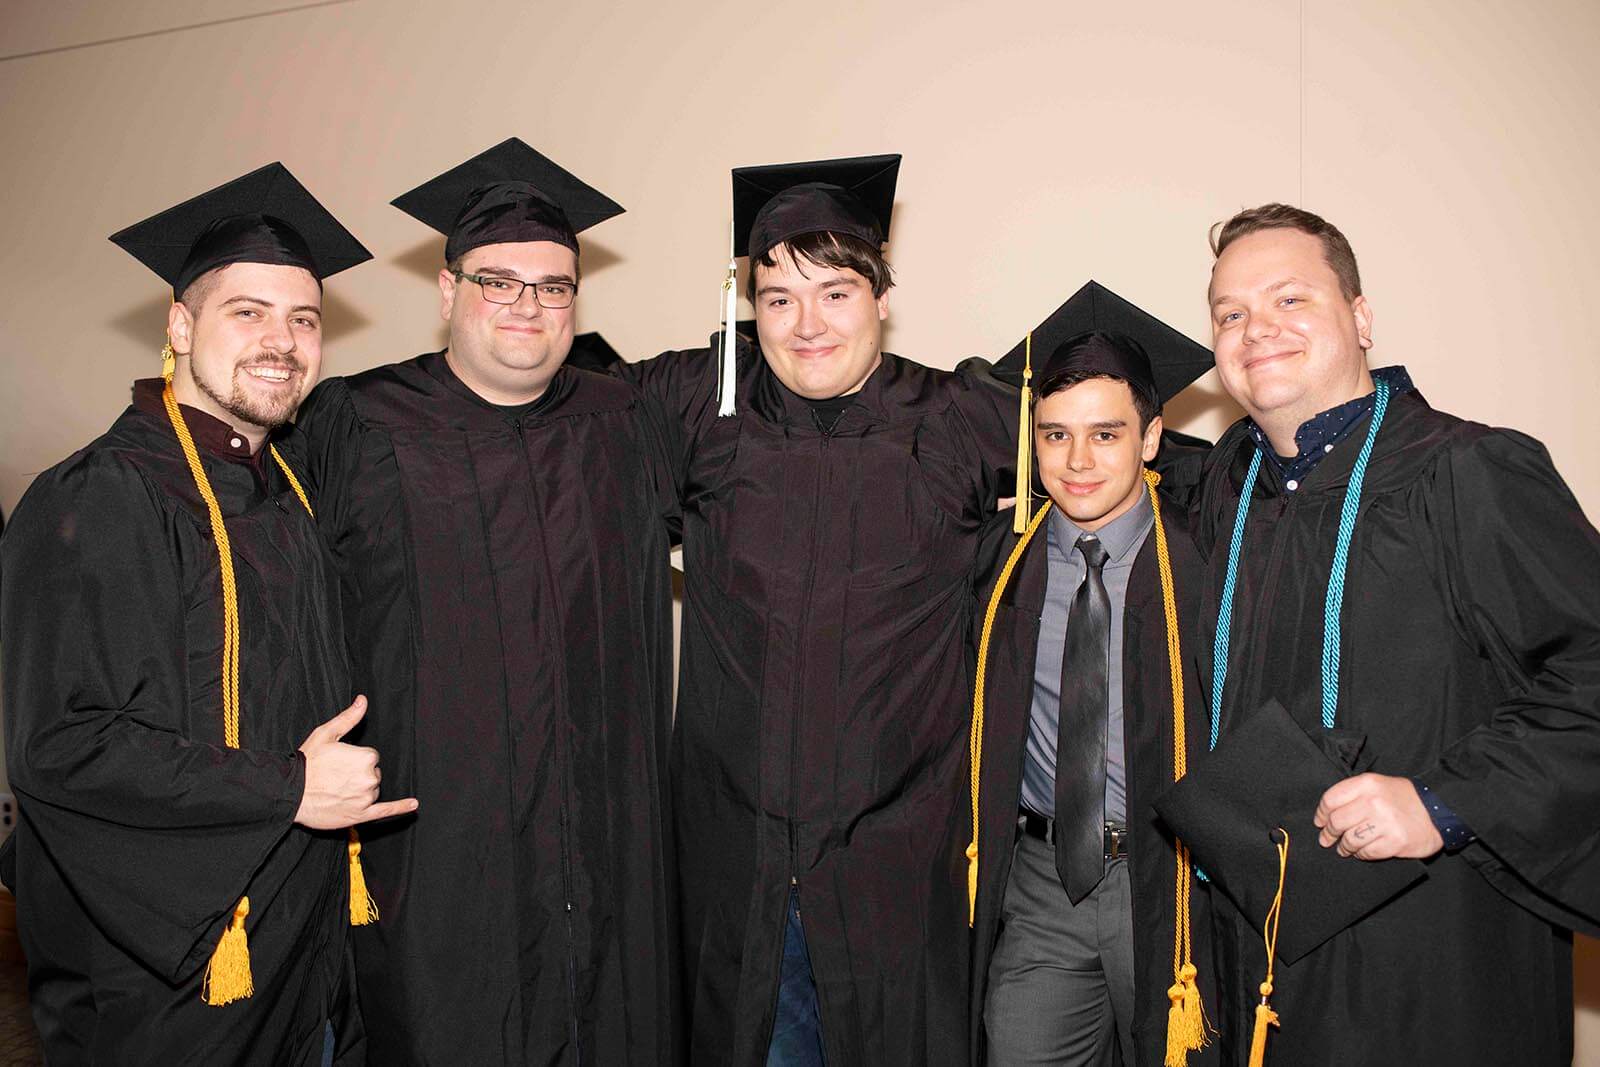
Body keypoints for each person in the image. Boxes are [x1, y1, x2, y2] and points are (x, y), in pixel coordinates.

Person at [1167, 203, 1600, 1065]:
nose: (1258, 331)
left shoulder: (1466, 471)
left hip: (1431, 951)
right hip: (1255, 945)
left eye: (1291, 300)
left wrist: (1445, 800)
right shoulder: (1225, 488)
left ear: (1361, 318)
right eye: (1231, 313)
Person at [1, 162, 408, 1065]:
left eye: (305, 318)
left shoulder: (286, 491)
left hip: (302, 968)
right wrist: (289, 788)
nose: (283, 340)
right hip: (168, 987)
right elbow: (63, 746)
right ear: (180, 325)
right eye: (247, 311)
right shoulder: (104, 496)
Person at [619, 153, 1016, 1067]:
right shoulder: (698, 407)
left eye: (835, 293)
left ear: (882, 295)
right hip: (738, 859)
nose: (806, 325)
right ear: (747, 307)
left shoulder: (954, 419)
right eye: (778, 298)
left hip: (896, 865)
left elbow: (1113, 449)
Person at [291, 138, 679, 1066]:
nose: (526, 305)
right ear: (446, 290)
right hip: (438, 859)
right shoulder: (356, 424)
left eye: (552, 286)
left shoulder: (623, 423)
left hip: (603, 852)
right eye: (497, 280)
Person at [968, 303, 1218, 1067]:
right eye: (1055, 434)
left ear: (1150, 438)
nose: (1077, 460)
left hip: (1169, 884)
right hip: (1042, 880)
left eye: (1105, 433)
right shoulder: (996, 563)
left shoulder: (1209, 560)